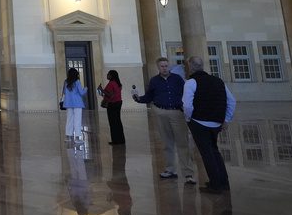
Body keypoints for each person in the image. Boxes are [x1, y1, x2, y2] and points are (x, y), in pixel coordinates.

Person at [134, 56, 197, 184]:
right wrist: (139, 99)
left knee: (182, 144)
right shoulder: (154, 81)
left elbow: (187, 94)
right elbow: (150, 96)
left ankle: (188, 173)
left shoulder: (177, 79)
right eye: (162, 66)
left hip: (177, 113)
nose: (164, 68)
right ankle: (170, 170)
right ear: (158, 67)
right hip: (161, 113)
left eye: (166, 66)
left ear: (169, 66)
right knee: (167, 143)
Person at [182, 55, 236, 194]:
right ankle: (223, 182)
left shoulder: (191, 82)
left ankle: (215, 185)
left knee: (207, 154)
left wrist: (189, 119)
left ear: (190, 66)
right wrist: (226, 119)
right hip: (216, 123)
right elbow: (232, 101)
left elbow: (187, 105)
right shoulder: (218, 81)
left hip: (199, 123)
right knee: (214, 151)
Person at [62, 67, 88, 143]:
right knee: (77, 120)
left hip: (69, 103)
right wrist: (86, 88)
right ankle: (77, 138)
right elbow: (82, 93)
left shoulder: (66, 82)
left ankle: (68, 137)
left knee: (69, 120)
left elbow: (64, 92)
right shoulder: (77, 82)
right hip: (77, 103)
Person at [101, 69, 125, 145]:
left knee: (113, 122)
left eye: (108, 74)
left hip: (112, 104)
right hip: (118, 102)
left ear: (111, 75)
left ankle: (115, 140)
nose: (107, 75)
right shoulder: (118, 83)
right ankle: (121, 140)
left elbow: (110, 95)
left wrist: (102, 90)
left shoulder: (111, 83)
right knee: (118, 121)